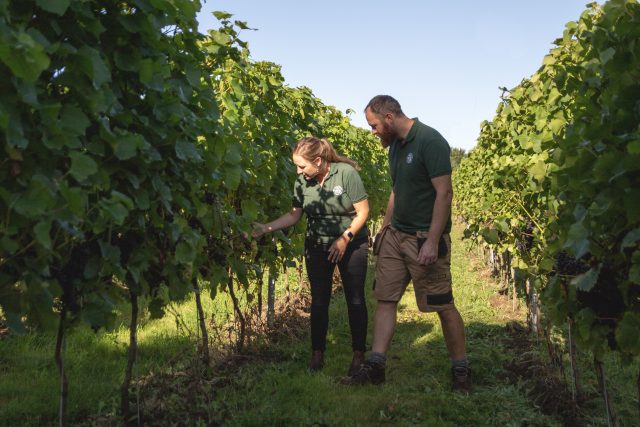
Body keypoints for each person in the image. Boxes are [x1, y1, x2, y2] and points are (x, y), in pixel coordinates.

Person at [344, 95, 470, 392]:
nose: (372, 132)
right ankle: (376, 366)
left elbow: (445, 194)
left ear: (389, 118)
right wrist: (385, 230)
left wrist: (433, 241)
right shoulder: (395, 149)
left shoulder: (430, 141)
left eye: (374, 126)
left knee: (442, 304)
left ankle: (461, 369)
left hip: (425, 239)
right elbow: (396, 191)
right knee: (385, 299)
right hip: (395, 238)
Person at [253, 136, 370, 375]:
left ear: (318, 160)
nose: (298, 171)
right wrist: (265, 228)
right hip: (317, 245)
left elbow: (363, 212)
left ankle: (359, 354)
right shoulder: (302, 183)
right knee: (319, 301)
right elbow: (294, 215)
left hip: (351, 243)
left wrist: (344, 238)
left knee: (355, 300)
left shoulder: (346, 174)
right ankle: (317, 353)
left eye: (302, 166)